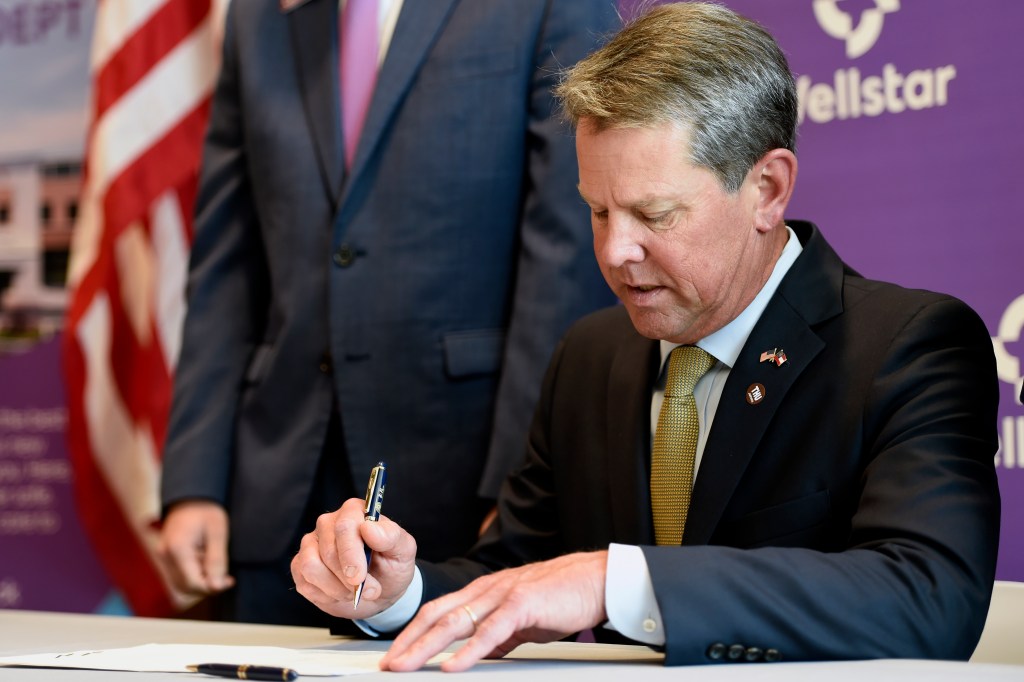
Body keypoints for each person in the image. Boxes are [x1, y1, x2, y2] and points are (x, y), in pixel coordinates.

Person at [289, 1, 1001, 669]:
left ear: (769, 189)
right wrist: (395, 594)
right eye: (598, 212)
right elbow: (511, 578)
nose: (614, 252)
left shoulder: (908, 348)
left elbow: (927, 597)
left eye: (653, 215)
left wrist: (616, 581)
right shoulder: (589, 357)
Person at [158, 0, 619, 625]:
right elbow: (226, 259)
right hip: (277, 492)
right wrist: (196, 481)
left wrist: (521, 493)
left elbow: (566, 255)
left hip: (461, 483)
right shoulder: (258, 14)